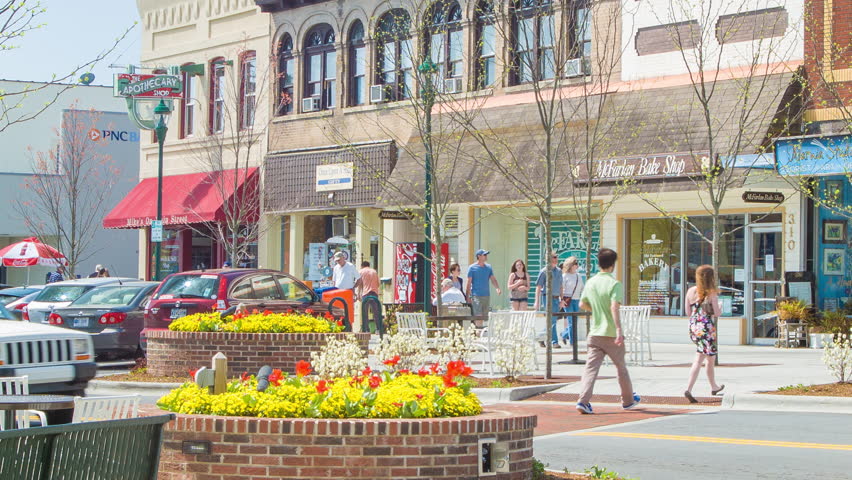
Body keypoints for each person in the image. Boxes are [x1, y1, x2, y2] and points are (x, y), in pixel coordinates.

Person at [576, 248, 641, 414]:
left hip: (594, 333)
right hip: (610, 333)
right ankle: (628, 400)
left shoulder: (591, 282)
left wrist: (597, 309)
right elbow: (614, 306)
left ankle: (583, 401)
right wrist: (619, 329)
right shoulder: (614, 284)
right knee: (621, 367)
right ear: (612, 265)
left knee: (590, 369)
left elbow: (582, 304)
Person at [684, 264, 725, 403]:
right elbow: (717, 313)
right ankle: (688, 389)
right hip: (707, 328)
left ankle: (714, 386)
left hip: (694, 327)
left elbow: (688, 313)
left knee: (709, 358)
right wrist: (719, 307)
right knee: (701, 359)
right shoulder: (711, 293)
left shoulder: (690, 291)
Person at [533, 254, 563, 348]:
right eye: (553, 257)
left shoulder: (559, 271)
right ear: (548, 259)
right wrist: (536, 301)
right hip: (547, 297)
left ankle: (540, 337)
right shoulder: (544, 271)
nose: (555, 259)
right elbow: (538, 287)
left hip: (556, 298)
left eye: (556, 257)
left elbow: (561, 286)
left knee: (552, 320)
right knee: (552, 320)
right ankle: (554, 342)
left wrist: (561, 299)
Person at [465, 249, 502, 316]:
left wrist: (497, 288)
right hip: (476, 296)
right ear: (479, 256)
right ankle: (478, 326)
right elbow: (469, 283)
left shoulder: (488, 267)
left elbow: (493, 279)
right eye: (484, 255)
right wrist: (467, 297)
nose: (486, 256)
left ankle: (479, 326)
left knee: (484, 316)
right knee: (478, 315)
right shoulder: (472, 268)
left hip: (486, 295)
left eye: (486, 255)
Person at [559, 257, 585, 346]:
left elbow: (582, 288)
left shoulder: (578, 276)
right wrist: (561, 300)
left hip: (576, 300)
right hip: (568, 300)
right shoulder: (565, 276)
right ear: (571, 265)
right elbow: (561, 288)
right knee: (571, 321)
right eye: (575, 264)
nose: (577, 265)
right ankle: (572, 342)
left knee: (575, 321)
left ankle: (564, 334)